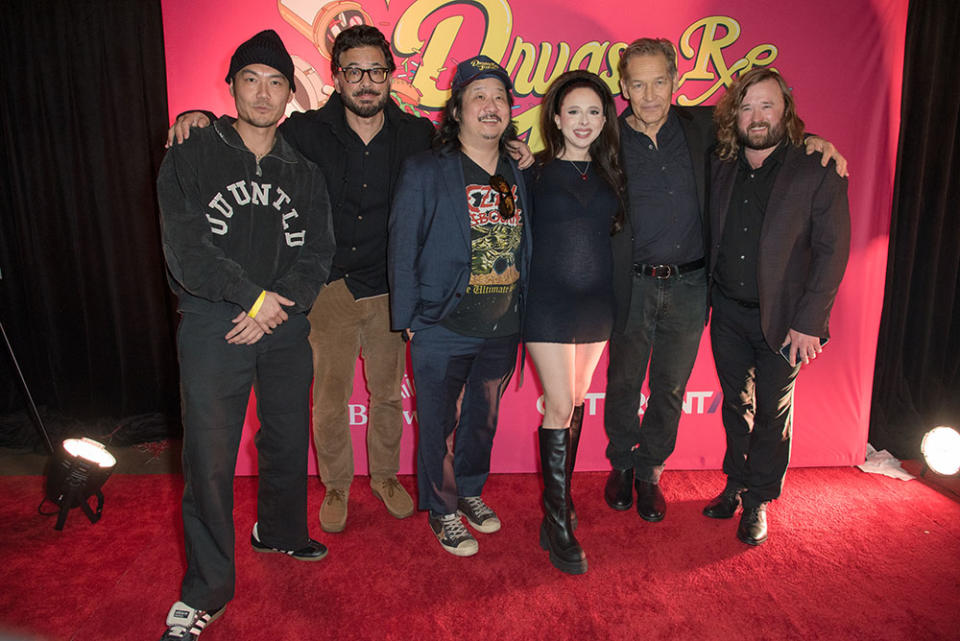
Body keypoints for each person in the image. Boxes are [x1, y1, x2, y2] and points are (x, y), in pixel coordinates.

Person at [167, 25, 434, 533]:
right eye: (353, 71)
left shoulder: (418, 135)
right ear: (337, 76)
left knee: (388, 396)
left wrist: (515, 150)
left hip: (390, 290)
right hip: (325, 290)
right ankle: (335, 483)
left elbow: (468, 149)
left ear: (390, 76)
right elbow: (249, 133)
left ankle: (385, 476)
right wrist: (194, 119)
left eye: (376, 71)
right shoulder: (305, 130)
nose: (365, 82)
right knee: (329, 398)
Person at [602, 38, 848, 523]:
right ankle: (621, 462)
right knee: (624, 379)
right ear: (623, 87)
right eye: (637, 84)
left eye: (658, 82)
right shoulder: (606, 136)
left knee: (670, 386)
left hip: (693, 287)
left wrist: (816, 140)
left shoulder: (699, 128)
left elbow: (764, 125)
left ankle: (650, 470)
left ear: (675, 82)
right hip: (631, 283)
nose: (649, 95)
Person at [156, 30, 335, 640]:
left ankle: (280, 531)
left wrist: (274, 306)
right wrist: (250, 296)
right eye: (251, 79)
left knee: (286, 437)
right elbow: (185, 248)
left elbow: (319, 253)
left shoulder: (304, 172)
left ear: (291, 93)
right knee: (208, 459)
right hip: (214, 322)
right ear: (230, 85)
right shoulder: (190, 154)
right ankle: (206, 588)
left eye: (276, 81)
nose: (263, 92)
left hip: (284, 322)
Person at [388, 56, 531, 557]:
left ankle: (469, 491)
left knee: (481, 420)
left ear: (509, 111)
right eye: (478, 97)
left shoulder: (517, 169)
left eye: (499, 98)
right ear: (458, 110)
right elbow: (402, 244)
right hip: (441, 323)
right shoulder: (427, 170)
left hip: (502, 324)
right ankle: (443, 509)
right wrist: (409, 321)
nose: (490, 107)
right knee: (438, 424)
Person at [704, 67, 850, 546]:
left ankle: (758, 500)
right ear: (734, 115)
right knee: (734, 405)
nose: (757, 116)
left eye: (767, 105)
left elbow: (833, 250)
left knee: (771, 412)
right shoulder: (721, 162)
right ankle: (734, 481)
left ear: (785, 110)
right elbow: (669, 115)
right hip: (726, 311)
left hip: (786, 321)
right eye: (747, 107)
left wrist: (810, 321)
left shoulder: (816, 168)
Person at [523, 70, 626, 574]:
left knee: (578, 400)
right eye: (573, 112)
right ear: (556, 119)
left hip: (596, 306)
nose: (583, 121)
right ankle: (559, 520)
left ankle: (555, 512)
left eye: (593, 112)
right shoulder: (533, 173)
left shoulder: (613, 172)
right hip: (547, 304)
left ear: (604, 118)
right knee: (559, 403)